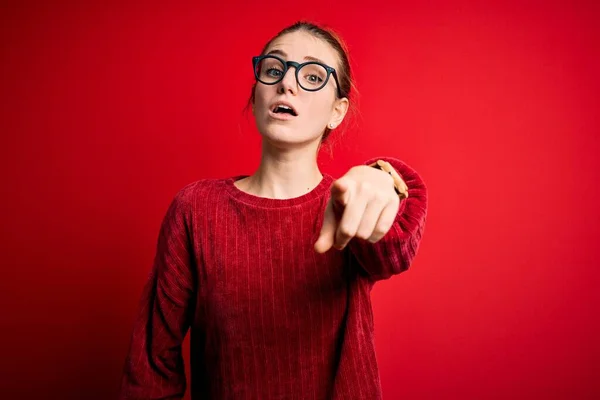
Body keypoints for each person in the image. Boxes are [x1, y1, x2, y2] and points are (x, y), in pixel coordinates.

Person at [119, 20, 428, 400]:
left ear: (337, 111)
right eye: (273, 69)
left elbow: (394, 250)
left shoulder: (350, 201)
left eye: (313, 75)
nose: (288, 83)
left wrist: (389, 178)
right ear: (257, 93)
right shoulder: (195, 209)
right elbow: (152, 365)